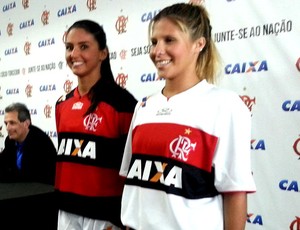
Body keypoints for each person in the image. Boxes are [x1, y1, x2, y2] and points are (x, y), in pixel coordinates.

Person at [120, 3, 256, 230]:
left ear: (199, 44)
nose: (157, 51)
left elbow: (234, 193)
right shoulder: (143, 107)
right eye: (154, 42)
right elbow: (135, 186)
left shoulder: (225, 106)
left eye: (169, 40)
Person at [55, 19, 137, 230]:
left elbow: (132, 169)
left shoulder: (123, 104)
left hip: (106, 215)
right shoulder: (62, 104)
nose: (74, 54)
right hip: (66, 210)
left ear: (103, 53)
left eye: (84, 47)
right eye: (69, 47)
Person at [0, 102, 56, 185]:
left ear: (26, 124)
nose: (7, 128)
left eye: (12, 123)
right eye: (6, 123)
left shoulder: (41, 143)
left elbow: (30, 177)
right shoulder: (10, 141)